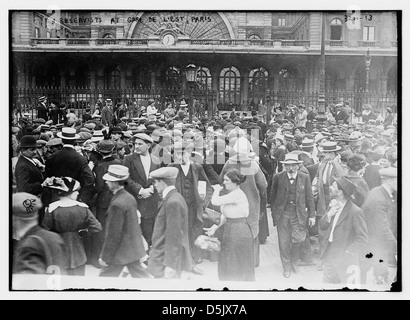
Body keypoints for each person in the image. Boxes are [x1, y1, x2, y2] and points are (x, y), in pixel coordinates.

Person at [41, 177, 102, 276]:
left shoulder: (52, 209)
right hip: (78, 251)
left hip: (59, 252)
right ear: (70, 192)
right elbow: (97, 227)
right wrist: (83, 230)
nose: (78, 193)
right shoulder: (83, 208)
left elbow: (45, 231)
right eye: (76, 191)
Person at [99, 165, 151, 278]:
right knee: (142, 277)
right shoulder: (129, 197)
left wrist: (105, 257)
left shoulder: (117, 204)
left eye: (109, 180)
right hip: (133, 250)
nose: (106, 182)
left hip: (119, 253)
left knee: (103, 282)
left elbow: (113, 234)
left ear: (115, 183)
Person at [220, 144, 267, 268]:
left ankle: (235, 261)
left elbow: (221, 180)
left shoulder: (229, 163)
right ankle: (253, 261)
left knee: (233, 229)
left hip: (232, 203)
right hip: (250, 204)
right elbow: (263, 184)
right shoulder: (253, 164)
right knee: (252, 230)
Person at [168, 141, 213, 270]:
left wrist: (203, 203)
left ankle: (195, 255)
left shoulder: (197, 167)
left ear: (189, 153)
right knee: (180, 230)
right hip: (178, 206)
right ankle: (181, 257)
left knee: (195, 229)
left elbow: (207, 186)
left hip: (193, 206)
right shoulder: (172, 167)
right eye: (176, 154)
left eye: (182, 153)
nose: (179, 157)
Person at [270, 153, 315, 278]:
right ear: (284, 166)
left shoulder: (304, 177)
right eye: (288, 165)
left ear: (297, 166)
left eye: (293, 165)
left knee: (299, 239)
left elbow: (309, 197)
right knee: (283, 242)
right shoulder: (278, 177)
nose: (290, 168)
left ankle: (294, 261)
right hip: (283, 214)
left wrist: (311, 215)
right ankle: (286, 267)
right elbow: (272, 197)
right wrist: (275, 213)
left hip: (298, 214)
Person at [205, 169, 255, 281]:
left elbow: (215, 202)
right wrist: (214, 228)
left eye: (227, 180)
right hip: (230, 229)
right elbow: (225, 215)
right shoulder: (232, 194)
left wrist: (216, 190)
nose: (224, 182)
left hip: (239, 231)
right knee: (228, 261)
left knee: (235, 262)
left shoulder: (237, 194)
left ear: (235, 181)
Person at [319, 176, 368, 284]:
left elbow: (362, 238)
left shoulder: (355, 212)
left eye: (333, 186)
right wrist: (329, 215)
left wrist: (348, 252)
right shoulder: (333, 205)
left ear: (340, 192)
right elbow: (322, 226)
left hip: (344, 260)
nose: (330, 187)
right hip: (329, 254)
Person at [147, 167, 193, 279]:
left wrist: (170, 266)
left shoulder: (172, 201)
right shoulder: (174, 198)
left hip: (165, 262)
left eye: (155, 182)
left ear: (162, 183)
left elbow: (174, 236)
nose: (154, 185)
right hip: (163, 259)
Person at [12, 192, 65, 274]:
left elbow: (31, 283)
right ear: (36, 214)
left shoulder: (27, 246)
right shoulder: (54, 237)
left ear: (14, 219)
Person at [123, 133, 161, 247]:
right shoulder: (128, 159)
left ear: (148, 145)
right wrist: (140, 190)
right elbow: (125, 178)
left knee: (149, 228)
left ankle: (148, 254)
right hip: (135, 200)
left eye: (140, 144)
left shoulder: (156, 160)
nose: (136, 147)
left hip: (150, 201)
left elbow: (158, 178)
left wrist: (151, 189)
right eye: (135, 144)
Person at [89, 139, 123, 267]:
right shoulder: (120, 162)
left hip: (103, 201)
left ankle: (99, 257)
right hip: (116, 198)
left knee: (101, 230)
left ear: (99, 151)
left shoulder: (99, 166)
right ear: (113, 150)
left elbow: (98, 187)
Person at [361, 167, 397, 286]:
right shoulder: (380, 199)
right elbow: (382, 227)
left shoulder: (377, 191)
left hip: (374, 242)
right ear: (389, 181)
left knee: (371, 271)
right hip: (376, 243)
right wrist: (396, 244)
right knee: (378, 274)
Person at [45, 127, 95, 205]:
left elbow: (47, 178)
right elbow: (89, 179)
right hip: (73, 196)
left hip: (56, 196)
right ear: (75, 140)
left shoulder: (52, 158)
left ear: (62, 140)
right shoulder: (81, 159)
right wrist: (82, 198)